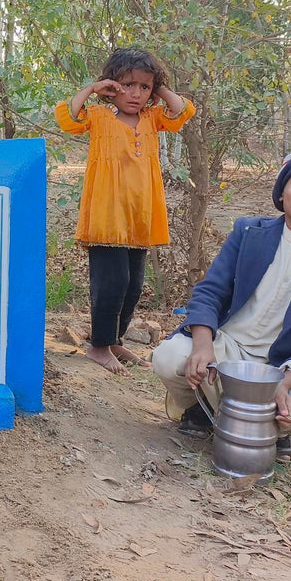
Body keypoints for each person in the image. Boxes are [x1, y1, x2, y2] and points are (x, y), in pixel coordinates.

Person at [153, 148, 291, 464]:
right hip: (227, 347)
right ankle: (199, 410)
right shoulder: (248, 232)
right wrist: (202, 346)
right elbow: (210, 292)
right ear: (282, 194)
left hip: (284, 366)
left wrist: (283, 383)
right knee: (170, 356)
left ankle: (277, 431)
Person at [55, 48, 195, 374]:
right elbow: (67, 117)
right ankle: (99, 346)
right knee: (112, 281)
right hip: (107, 213)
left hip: (139, 216)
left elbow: (183, 111)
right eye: (128, 85)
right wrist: (93, 88)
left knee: (133, 283)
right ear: (112, 85)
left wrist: (156, 86)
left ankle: (115, 339)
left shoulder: (151, 118)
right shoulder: (100, 116)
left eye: (143, 87)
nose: (136, 94)